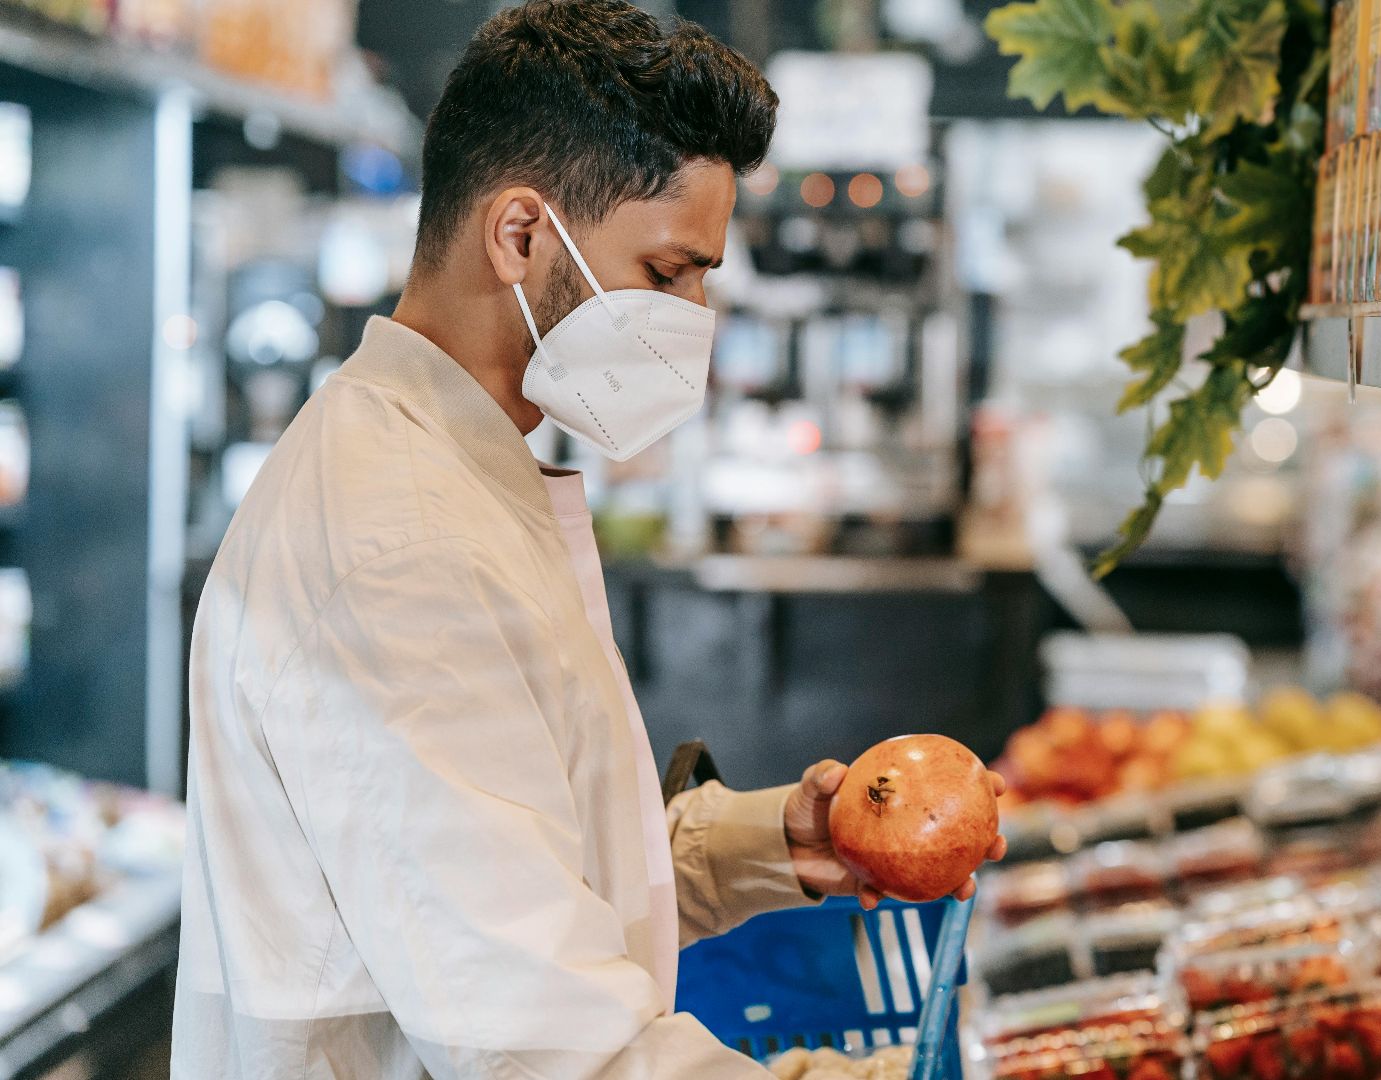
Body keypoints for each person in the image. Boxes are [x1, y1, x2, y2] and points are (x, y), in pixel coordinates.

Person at [172, 3, 1004, 1076]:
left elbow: (523, 864)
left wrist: (765, 847)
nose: (698, 316)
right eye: (669, 274)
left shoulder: (462, 463)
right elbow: (540, 1040)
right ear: (520, 235)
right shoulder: (397, 545)